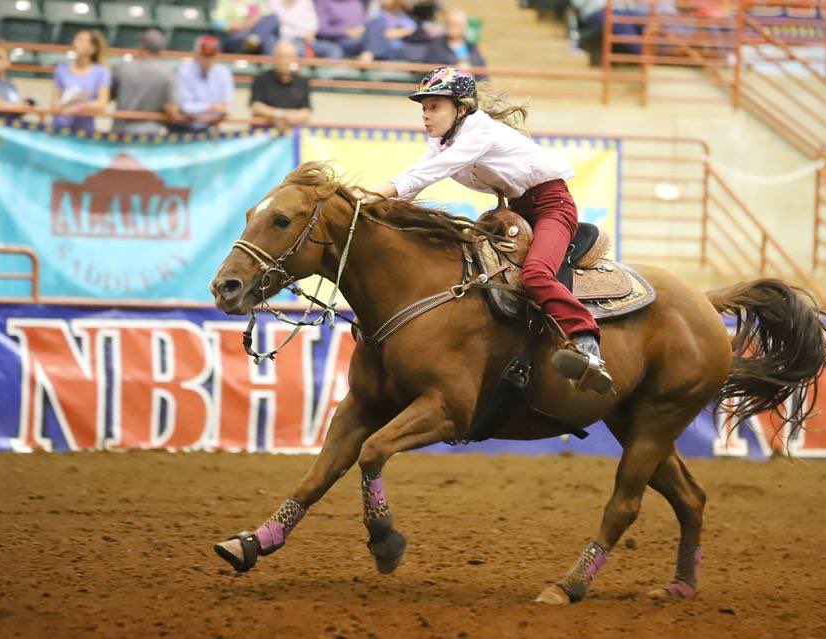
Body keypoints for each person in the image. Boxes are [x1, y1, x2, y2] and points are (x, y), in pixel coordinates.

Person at [354, 67, 613, 393]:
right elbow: (414, 178)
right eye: (423, 108)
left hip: (552, 205)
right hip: (517, 209)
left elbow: (427, 174)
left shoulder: (479, 132)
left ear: (461, 108)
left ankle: (586, 341)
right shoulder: (442, 141)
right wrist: (371, 207)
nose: (426, 115)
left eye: (434, 106)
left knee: (535, 274)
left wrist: (370, 194)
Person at [110, 29, 175, 135]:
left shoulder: (121, 68)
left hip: (121, 131)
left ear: (142, 45)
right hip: (151, 132)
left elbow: (107, 96)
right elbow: (173, 108)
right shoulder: (168, 73)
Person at [50, 29, 111, 134]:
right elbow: (54, 99)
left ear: (93, 48)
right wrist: (60, 105)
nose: (76, 43)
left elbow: (102, 103)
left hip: (84, 130)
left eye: (82, 41)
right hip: (59, 127)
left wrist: (78, 107)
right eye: (76, 39)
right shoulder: (61, 68)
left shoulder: (101, 72)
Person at [172, 35, 234, 133]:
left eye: (211, 54)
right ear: (196, 54)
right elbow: (185, 106)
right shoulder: (184, 71)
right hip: (186, 127)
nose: (207, 58)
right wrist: (211, 107)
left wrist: (203, 112)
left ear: (217, 54)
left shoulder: (224, 73)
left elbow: (226, 107)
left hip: (211, 127)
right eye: (204, 54)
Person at [250, 40, 311, 129]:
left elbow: (306, 110)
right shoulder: (261, 79)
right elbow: (256, 106)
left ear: (294, 59)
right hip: (264, 133)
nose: (284, 61)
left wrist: (291, 117)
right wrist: (278, 115)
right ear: (274, 58)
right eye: (281, 56)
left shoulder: (302, 82)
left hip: (293, 134)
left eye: (288, 57)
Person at [360, 0, 427, 62]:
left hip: (395, 51)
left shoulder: (405, 20)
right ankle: (368, 55)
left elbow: (410, 31)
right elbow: (363, 31)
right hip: (378, 50)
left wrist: (394, 33)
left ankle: (368, 55)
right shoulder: (378, 16)